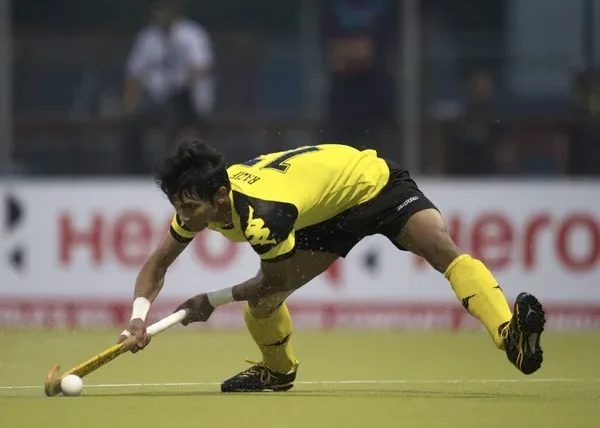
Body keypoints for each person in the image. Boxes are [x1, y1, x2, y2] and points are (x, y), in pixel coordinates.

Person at [117, 140, 546, 392]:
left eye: (191, 208)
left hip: (373, 184)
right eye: (178, 207)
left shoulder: (262, 216)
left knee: (441, 248)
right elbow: (158, 263)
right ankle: (277, 372)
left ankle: (508, 335)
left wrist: (211, 300)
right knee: (264, 306)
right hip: (322, 215)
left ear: (220, 197)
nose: (183, 217)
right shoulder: (197, 205)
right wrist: (138, 317)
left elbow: (273, 276)